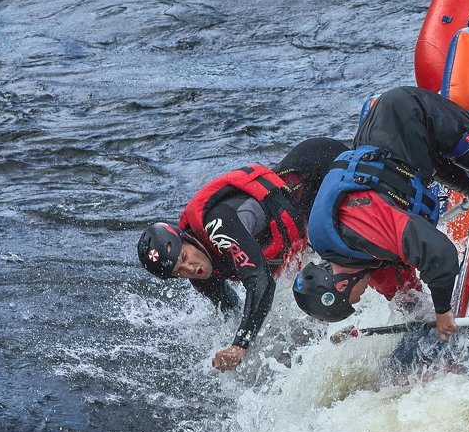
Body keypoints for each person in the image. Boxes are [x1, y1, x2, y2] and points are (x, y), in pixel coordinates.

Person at [292, 26, 469, 337]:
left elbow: (440, 254)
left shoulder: (361, 229)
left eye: (354, 301)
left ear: (342, 285)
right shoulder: (351, 256)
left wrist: (443, 311)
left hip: (412, 117)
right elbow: (405, 296)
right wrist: (418, 325)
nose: (361, 298)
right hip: (402, 151)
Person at [137, 137, 346, 371]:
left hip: (322, 168)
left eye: (184, 257)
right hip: (312, 210)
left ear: (188, 239)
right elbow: (235, 314)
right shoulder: (203, 278)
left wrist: (240, 345)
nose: (190, 269)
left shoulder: (218, 225)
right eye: (179, 272)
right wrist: (231, 352)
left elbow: (262, 282)